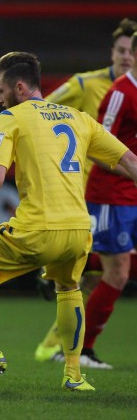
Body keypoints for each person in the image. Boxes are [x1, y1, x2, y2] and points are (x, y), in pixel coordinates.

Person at [0, 51, 137, 391]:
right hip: (77, 230)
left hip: (37, 229)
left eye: (0, 89)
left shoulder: (12, 118)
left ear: (18, 86)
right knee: (69, 289)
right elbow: (131, 162)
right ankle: (74, 375)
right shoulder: (78, 117)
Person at [34, 18, 137, 365]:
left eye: (129, 51)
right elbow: (40, 109)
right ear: (114, 52)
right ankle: (73, 345)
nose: (125, 57)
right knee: (108, 271)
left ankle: (58, 283)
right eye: (120, 51)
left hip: (123, 191)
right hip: (93, 192)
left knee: (103, 272)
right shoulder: (93, 85)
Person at [75, 31, 137, 370]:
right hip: (112, 197)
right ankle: (82, 350)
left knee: (120, 270)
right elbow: (98, 146)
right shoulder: (120, 94)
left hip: (133, 195)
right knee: (118, 273)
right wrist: (131, 172)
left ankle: (75, 266)